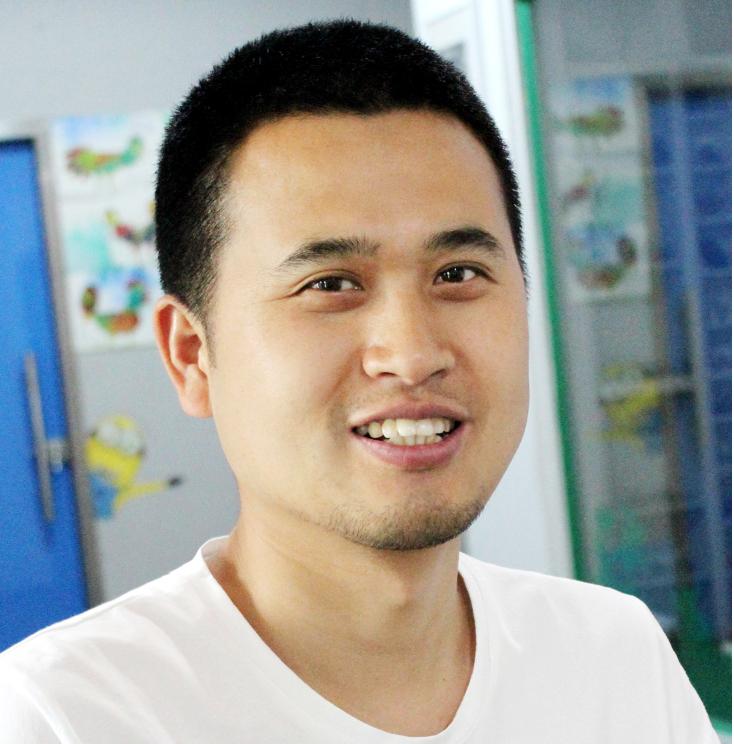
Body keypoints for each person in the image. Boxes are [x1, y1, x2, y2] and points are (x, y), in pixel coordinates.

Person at [0, 18, 719, 743]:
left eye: (458, 273)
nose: (412, 355)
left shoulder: (614, 657)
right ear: (192, 355)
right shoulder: (67, 717)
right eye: (331, 284)